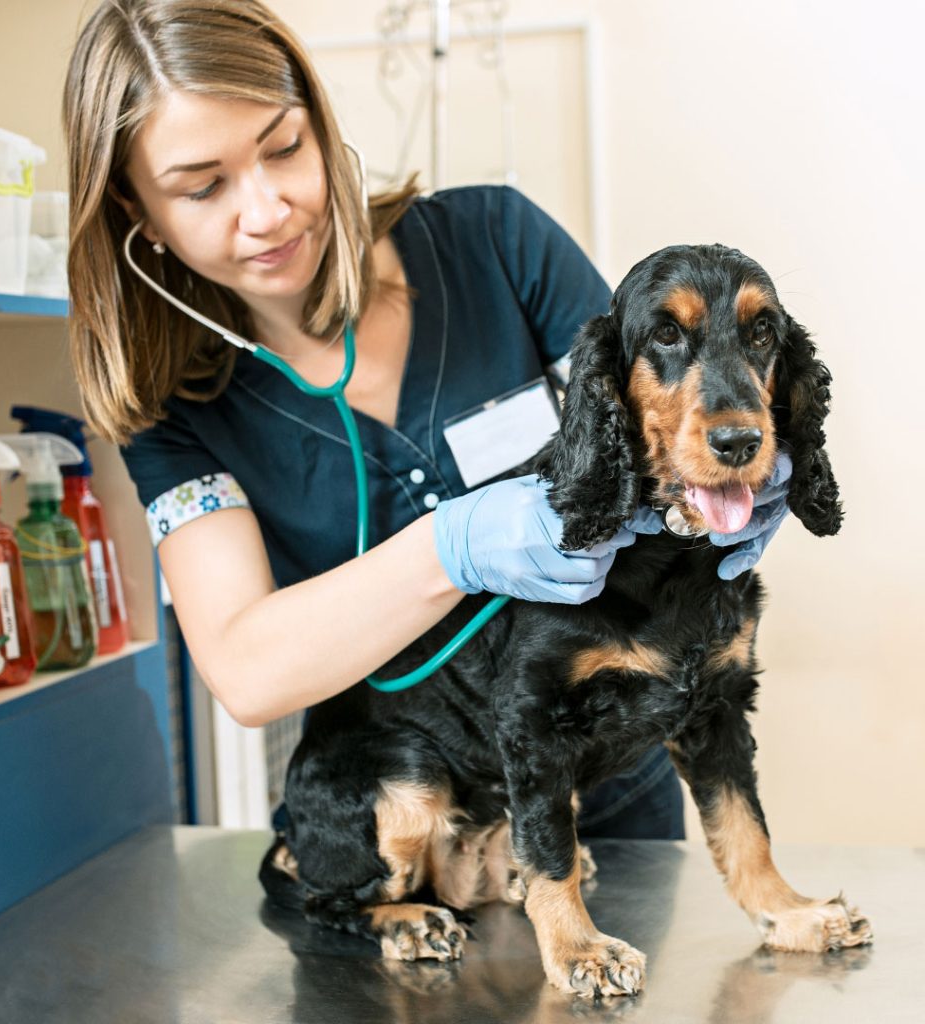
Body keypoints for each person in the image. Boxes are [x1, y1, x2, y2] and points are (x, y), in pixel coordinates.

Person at [62, 0, 789, 841]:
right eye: (203, 186)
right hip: (402, 812)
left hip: (602, 799)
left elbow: (659, 422)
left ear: (322, 124)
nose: (266, 211)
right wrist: (452, 547)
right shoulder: (169, 406)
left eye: (284, 146)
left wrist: (750, 469)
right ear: (135, 211)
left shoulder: (498, 244)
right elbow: (248, 673)